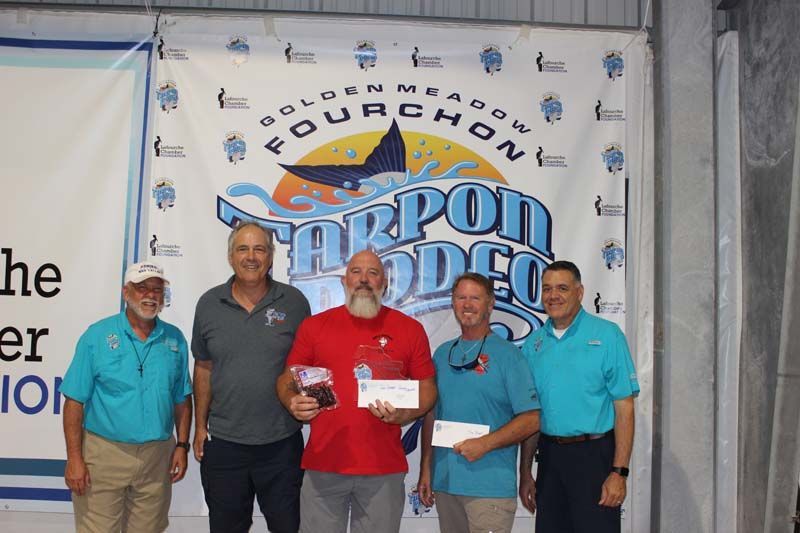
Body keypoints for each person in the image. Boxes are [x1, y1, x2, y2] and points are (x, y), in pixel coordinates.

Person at [277, 249, 437, 533]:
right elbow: (287, 379)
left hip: (383, 468)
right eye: (356, 272)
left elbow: (428, 388)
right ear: (344, 281)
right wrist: (292, 400)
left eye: (373, 273)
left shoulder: (410, 329)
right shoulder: (314, 327)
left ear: (384, 283)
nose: (364, 279)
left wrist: (406, 413)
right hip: (324, 464)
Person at [192, 221, 311, 533]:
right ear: (231, 256)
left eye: (259, 249)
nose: (251, 257)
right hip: (224, 443)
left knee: (288, 527)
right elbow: (203, 367)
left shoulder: (294, 302)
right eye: (243, 249)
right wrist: (200, 426)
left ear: (270, 257)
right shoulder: (209, 304)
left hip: (281, 443)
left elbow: (307, 364)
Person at [60, 261, 192, 533]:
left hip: (157, 458)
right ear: (126, 292)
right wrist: (74, 459)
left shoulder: (175, 339)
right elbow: (74, 401)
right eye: (142, 288)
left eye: (157, 289)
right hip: (104, 455)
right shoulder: (97, 336)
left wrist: (181, 445)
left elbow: (182, 398)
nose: (150, 295)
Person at [519, 260, 639, 533]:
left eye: (562, 288)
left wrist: (619, 472)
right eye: (547, 288)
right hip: (549, 457)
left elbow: (625, 408)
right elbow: (531, 416)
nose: (553, 295)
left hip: (595, 457)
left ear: (580, 292)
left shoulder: (607, 336)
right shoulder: (534, 344)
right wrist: (525, 473)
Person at [417, 272, 540, 533]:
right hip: (446, 483)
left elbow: (532, 419)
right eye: (461, 297)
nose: (467, 304)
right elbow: (431, 415)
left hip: (489, 488)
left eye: (475, 298)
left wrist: (485, 444)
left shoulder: (509, 356)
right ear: (453, 303)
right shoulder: (442, 354)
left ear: (490, 304)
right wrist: (425, 468)